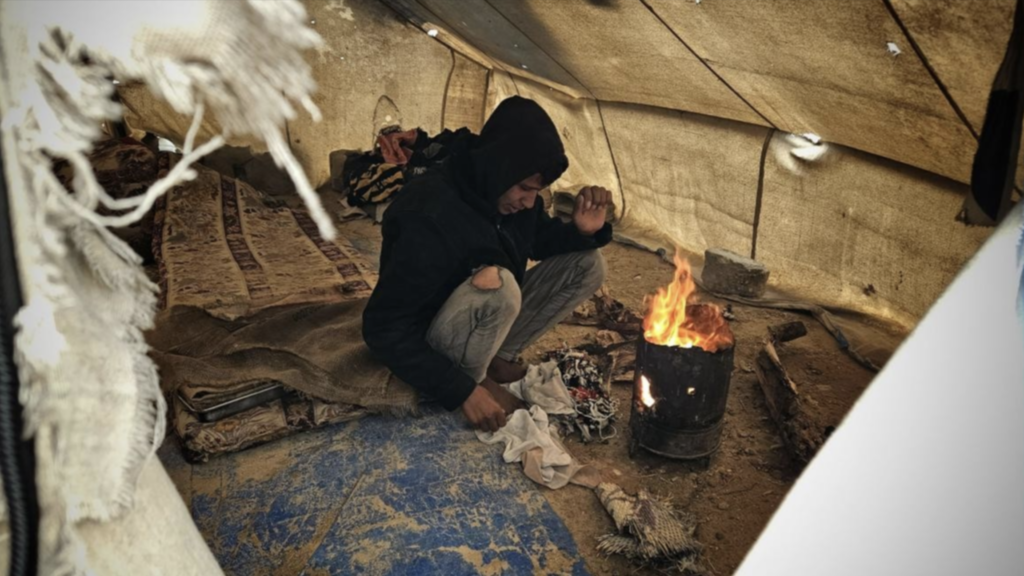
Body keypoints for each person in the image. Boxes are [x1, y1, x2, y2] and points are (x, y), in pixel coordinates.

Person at [363, 96, 614, 432]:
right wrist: (460, 389)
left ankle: (495, 359)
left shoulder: (506, 197)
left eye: (536, 191)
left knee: (587, 263)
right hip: (432, 336)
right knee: (499, 285)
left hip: (484, 321)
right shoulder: (429, 213)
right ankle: (475, 378)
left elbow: (539, 239)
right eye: (524, 188)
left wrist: (583, 231)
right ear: (499, 168)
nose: (530, 202)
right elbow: (383, 328)